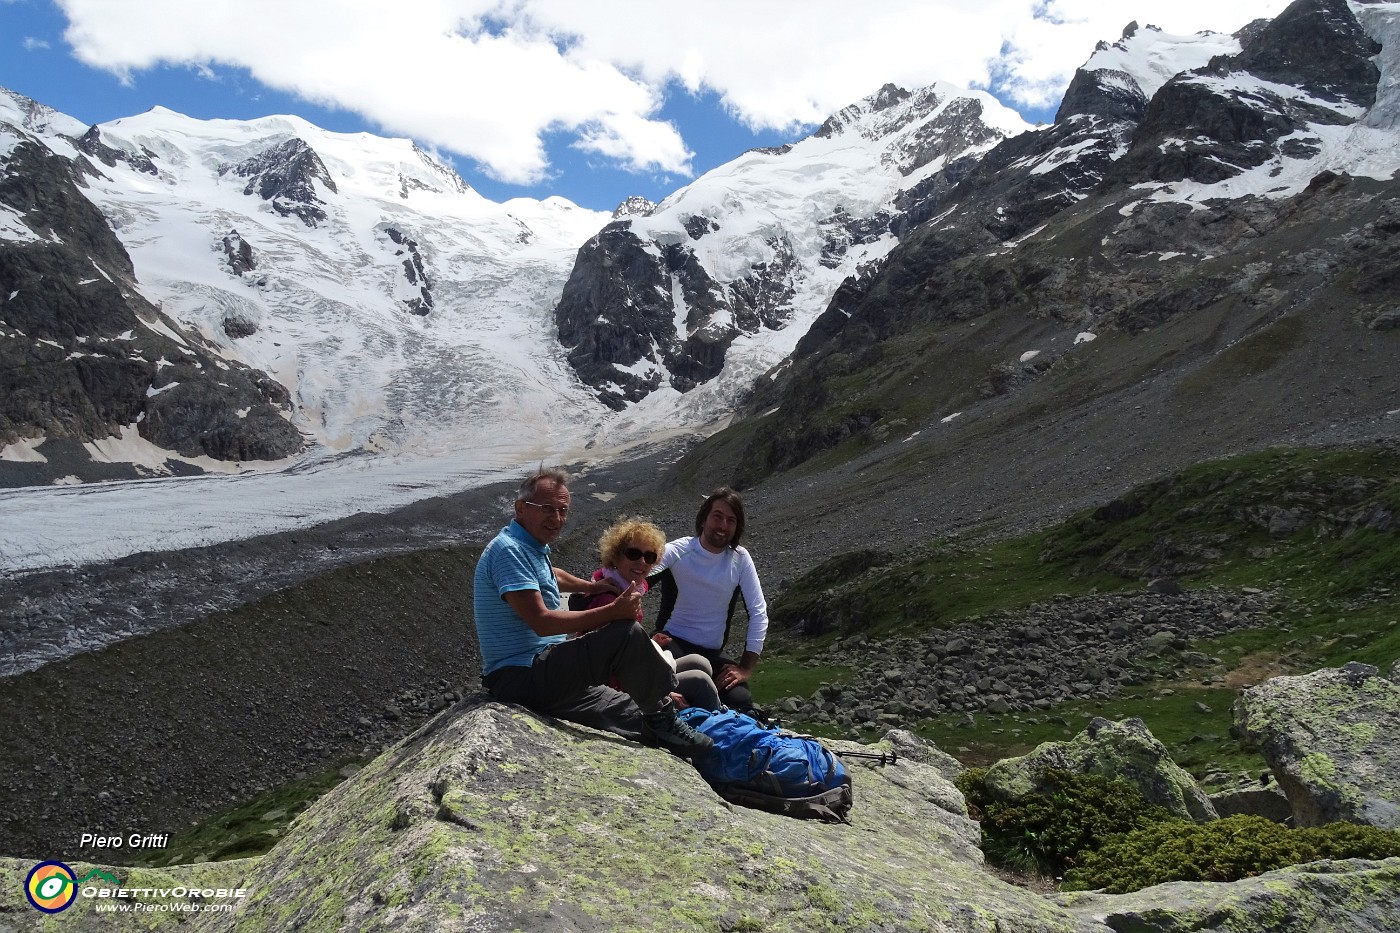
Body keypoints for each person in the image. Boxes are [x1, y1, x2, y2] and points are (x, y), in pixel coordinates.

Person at [472, 468, 711, 757]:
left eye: (562, 510)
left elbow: (551, 575)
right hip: (521, 675)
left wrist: (590, 587)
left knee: (636, 717)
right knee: (624, 634)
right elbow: (542, 622)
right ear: (520, 508)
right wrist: (612, 610)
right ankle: (663, 716)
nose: (557, 518)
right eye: (547, 508)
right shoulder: (509, 551)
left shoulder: (530, 547)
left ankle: (679, 734)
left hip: (542, 674)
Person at [578, 517, 722, 712]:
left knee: (699, 662)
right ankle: (718, 729)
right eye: (633, 554)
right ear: (615, 556)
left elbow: (626, 645)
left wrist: (649, 642)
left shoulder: (625, 587)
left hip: (631, 675)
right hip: (615, 689)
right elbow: (609, 667)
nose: (642, 562)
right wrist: (660, 693)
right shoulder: (608, 599)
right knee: (700, 681)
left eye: (650, 557)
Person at [650, 487, 769, 713]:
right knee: (683, 692)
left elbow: (758, 612)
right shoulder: (679, 551)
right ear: (704, 518)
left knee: (740, 700)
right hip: (672, 643)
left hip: (712, 653)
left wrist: (745, 668)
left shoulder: (740, 559)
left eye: (730, 520)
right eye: (717, 516)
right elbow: (638, 578)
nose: (723, 526)